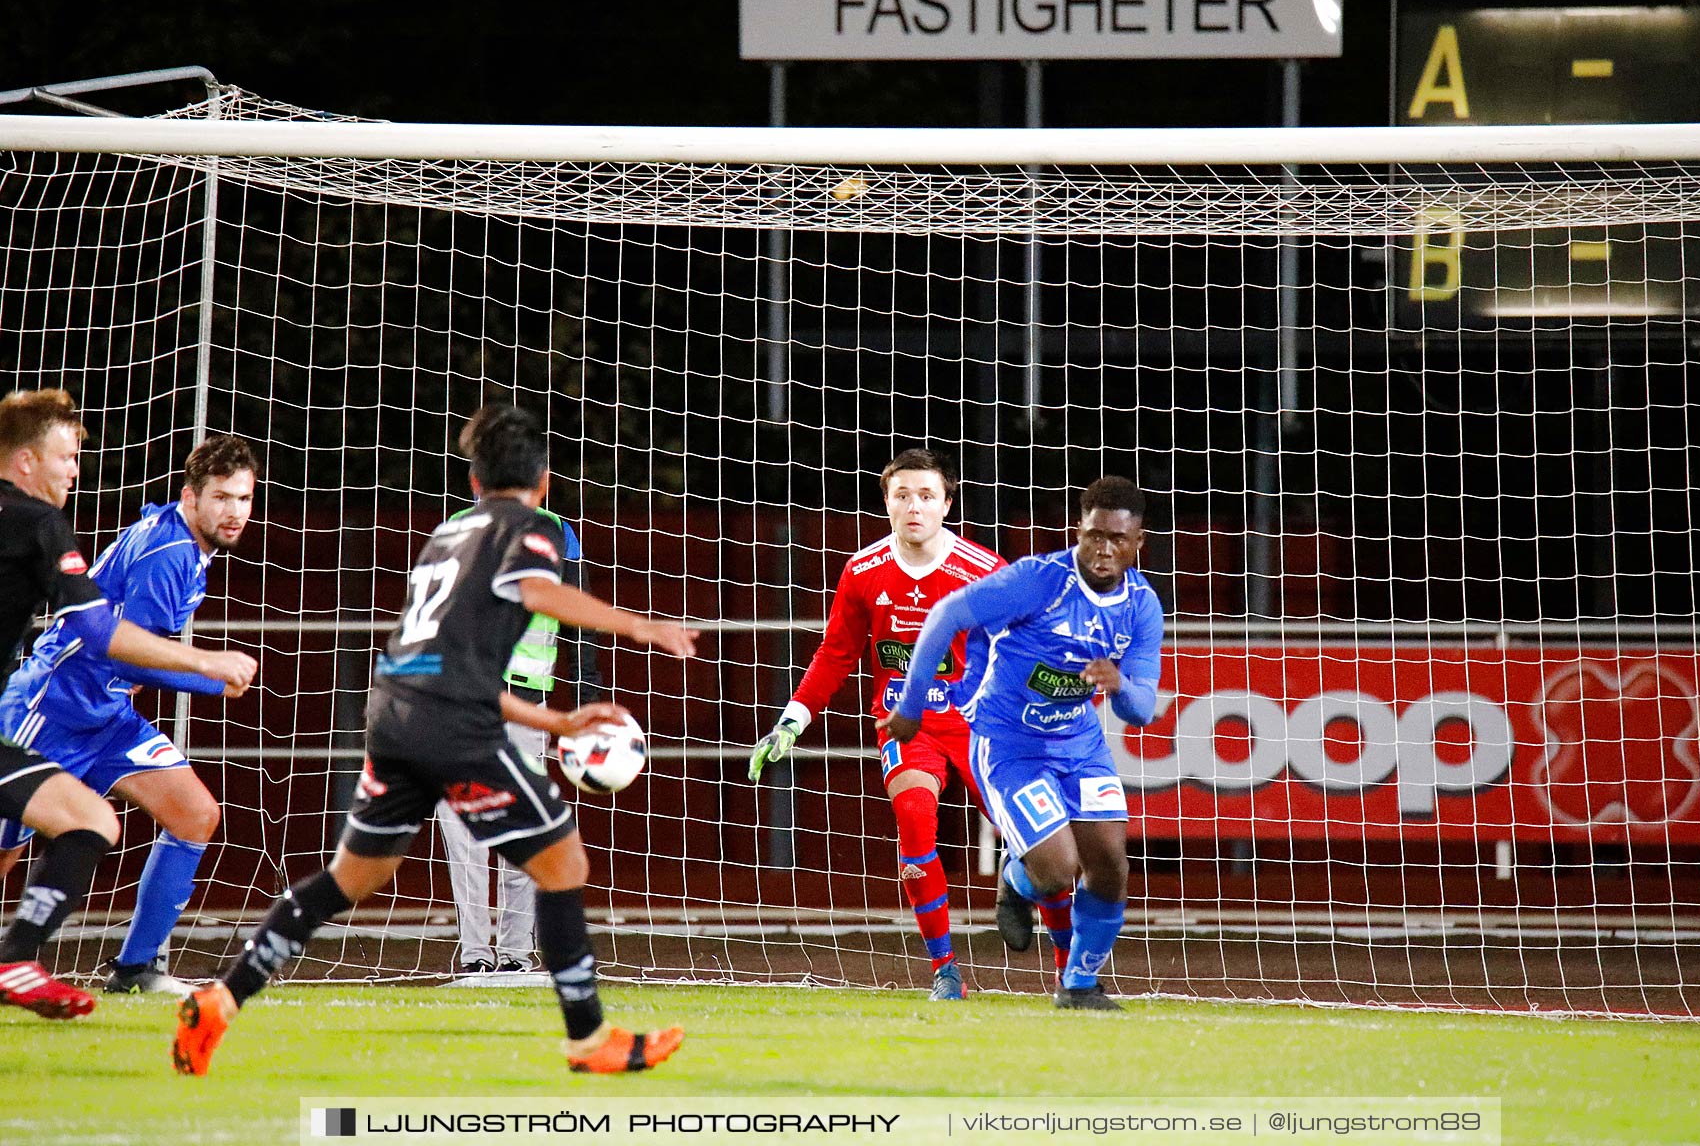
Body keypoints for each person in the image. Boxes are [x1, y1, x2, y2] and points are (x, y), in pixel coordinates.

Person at [171, 402, 698, 1077]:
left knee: (351, 878)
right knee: (563, 861)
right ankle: (589, 1037)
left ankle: (221, 999)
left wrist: (559, 723)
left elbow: (452, 665)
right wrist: (639, 627)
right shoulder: (532, 527)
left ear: (474, 482)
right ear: (541, 482)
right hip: (453, 722)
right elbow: (540, 589)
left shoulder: (447, 538)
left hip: (395, 712)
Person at [748, 448, 1071, 1000]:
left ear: (947, 504)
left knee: (1044, 851)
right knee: (916, 817)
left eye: (926, 496)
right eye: (903, 496)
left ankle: (1072, 975)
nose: (914, 506)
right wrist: (792, 721)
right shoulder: (862, 571)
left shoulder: (983, 571)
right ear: (887, 503)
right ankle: (945, 970)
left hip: (981, 729)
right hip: (906, 725)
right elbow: (835, 654)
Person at [0, 389, 256, 1019]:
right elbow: (120, 652)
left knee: (194, 814)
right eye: (221, 497)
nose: (234, 511)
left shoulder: (184, 546)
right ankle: (19, 963)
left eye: (244, 498)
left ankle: (136, 967)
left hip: (106, 716)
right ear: (190, 497)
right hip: (55, 707)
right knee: (6, 849)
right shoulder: (169, 555)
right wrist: (210, 672)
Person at [882, 476, 1164, 1011]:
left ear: (1138, 543)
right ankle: (1018, 878)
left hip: (1079, 745)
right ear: (1077, 530)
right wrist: (912, 704)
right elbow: (947, 616)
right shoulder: (1038, 581)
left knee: (1111, 866)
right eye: (1094, 535)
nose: (1104, 549)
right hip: (1009, 743)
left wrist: (1119, 683)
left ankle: (1078, 987)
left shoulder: (1142, 608)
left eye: (1118, 540)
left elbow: (1142, 710)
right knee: (1058, 872)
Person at [433, 505, 591, 975]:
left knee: (522, 822)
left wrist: (587, 693)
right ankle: (476, 953)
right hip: (462, 697)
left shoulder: (562, 530)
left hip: (527, 700)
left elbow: (578, 618)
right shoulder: (459, 527)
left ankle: (516, 954)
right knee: (461, 825)